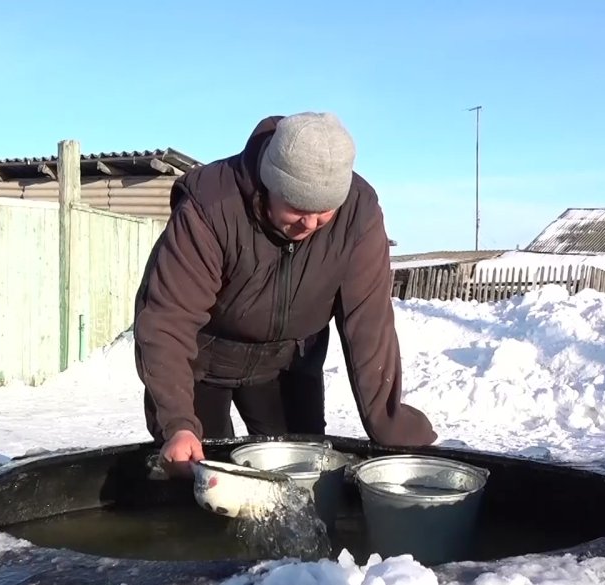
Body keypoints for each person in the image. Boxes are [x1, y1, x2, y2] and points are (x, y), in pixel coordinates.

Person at [132, 112, 437, 477]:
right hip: (205, 360)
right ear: (268, 183)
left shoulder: (359, 214)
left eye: (323, 213)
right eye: (296, 207)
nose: (308, 224)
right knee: (209, 475)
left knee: (303, 475)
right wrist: (178, 424)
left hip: (288, 362)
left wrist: (394, 430)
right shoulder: (210, 206)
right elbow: (167, 321)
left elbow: (369, 325)